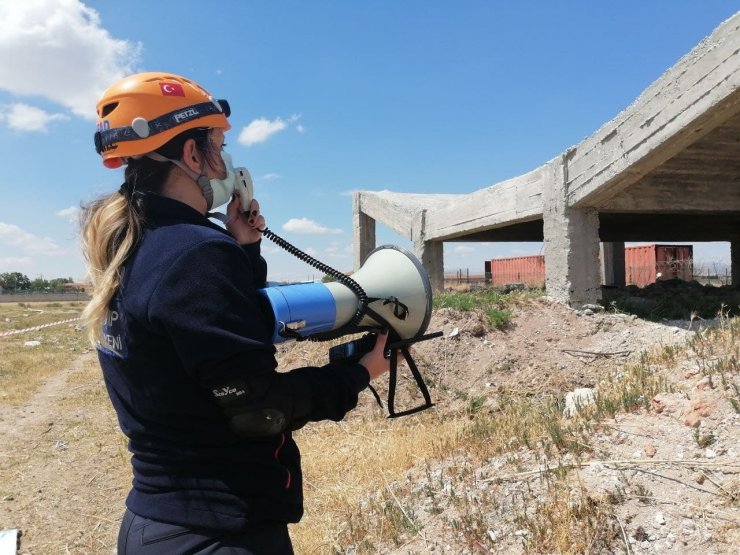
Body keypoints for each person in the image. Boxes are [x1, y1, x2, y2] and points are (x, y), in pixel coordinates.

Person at [80, 72, 393, 554]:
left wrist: (243, 250)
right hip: (219, 533)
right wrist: (358, 373)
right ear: (190, 155)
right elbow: (259, 410)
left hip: (154, 520)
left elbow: (209, 342)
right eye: (218, 145)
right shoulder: (195, 254)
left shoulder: (131, 243)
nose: (225, 161)